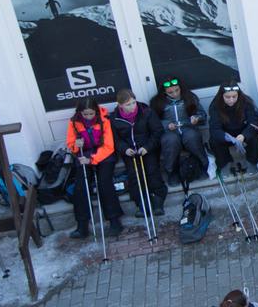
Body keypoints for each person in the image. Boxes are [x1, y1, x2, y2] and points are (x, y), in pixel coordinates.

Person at [66, 96, 124, 239]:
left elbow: (109, 146)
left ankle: (114, 220)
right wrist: (76, 146)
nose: (88, 117)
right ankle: (82, 224)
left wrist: (92, 159)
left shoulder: (105, 120)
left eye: (91, 113)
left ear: (96, 111)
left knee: (104, 182)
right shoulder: (74, 122)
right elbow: (71, 143)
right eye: (85, 114)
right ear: (80, 112)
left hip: (103, 155)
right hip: (83, 155)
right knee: (80, 186)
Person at [109, 88, 167, 216]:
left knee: (152, 171)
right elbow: (115, 139)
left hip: (147, 148)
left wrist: (147, 147)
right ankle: (141, 202)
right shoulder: (114, 118)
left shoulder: (146, 112)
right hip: (130, 152)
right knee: (134, 175)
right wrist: (125, 149)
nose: (132, 106)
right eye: (128, 104)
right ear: (120, 105)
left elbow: (157, 131)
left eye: (133, 102)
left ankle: (158, 200)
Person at [149, 76, 208, 179]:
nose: (175, 94)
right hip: (169, 132)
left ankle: (203, 166)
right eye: (171, 92)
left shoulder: (190, 97)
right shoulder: (157, 102)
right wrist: (166, 124)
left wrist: (196, 118)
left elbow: (202, 114)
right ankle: (171, 172)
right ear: (164, 92)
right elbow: (153, 121)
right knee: (170, 140)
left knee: (192, 137)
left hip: (187, 127)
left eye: (177, 90)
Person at [206, 81, 258, 170]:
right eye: (227, 97)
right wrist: (227, 137)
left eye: (234, 96)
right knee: (214, 141)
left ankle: (252, 162)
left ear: (238, 95)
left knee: (256, 138)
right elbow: (214, 128)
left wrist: (244, 135)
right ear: (222, 96)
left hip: (243, 132)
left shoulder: (246, 102)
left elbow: (254, 121)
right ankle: (226, 164)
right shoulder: (215, 106)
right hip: (226, 134)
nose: (231, 100)